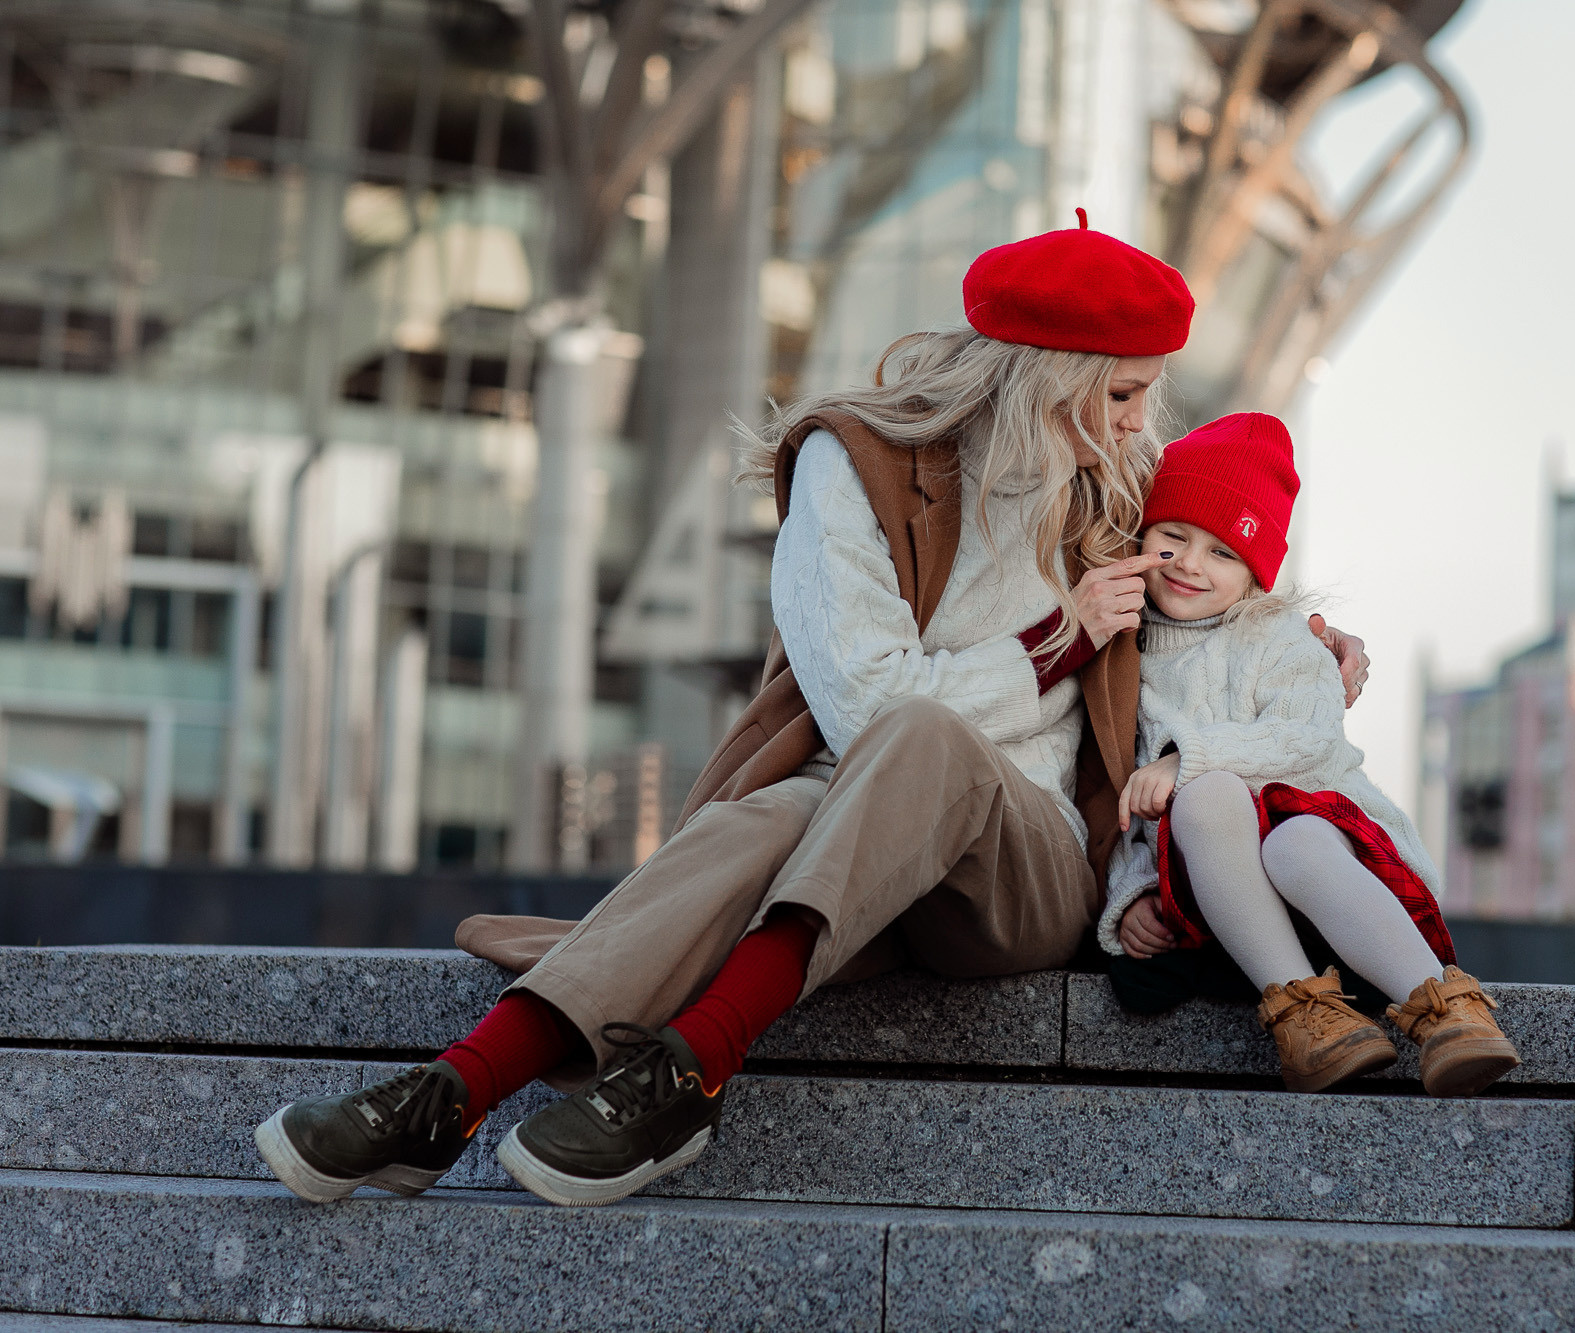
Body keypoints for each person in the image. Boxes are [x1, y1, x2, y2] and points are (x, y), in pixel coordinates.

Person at [252, 216, 1369, 1209]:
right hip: (850, 831)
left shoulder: (1118, 490)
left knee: (915, 746)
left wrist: (1310, 652)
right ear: (1045, 374)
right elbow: (866, 701)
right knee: (773, 813)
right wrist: (1049, 644)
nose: (1138, 426)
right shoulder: (855, 465)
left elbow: (1227, 581)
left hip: (1025, 870)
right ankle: (452, 1091)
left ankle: (691, 1067)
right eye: (1120, 393)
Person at [1100, 412, 1519, 1097]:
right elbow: (1124, 800)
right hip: (1227, 901)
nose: (1191, 565)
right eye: (1173, 538)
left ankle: (1448, 1010)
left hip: (1332, 865)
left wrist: (1189, 758)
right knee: (1205, 800)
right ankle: (1309, 1021)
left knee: (1283, 836)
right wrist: (1131, 895)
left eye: (1222, 552)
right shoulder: (1127, 657)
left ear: (1257, 573)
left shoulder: (1285, 640)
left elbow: (1309, 740)